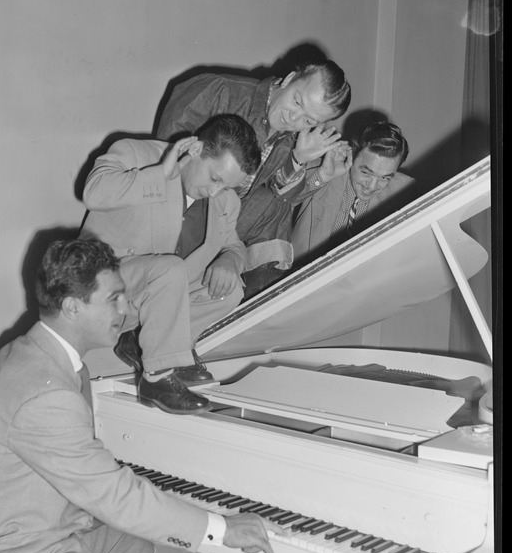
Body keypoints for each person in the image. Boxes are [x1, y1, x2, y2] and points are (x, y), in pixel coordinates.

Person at [0, 238, 280, 553]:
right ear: (72, 307)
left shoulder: (44, 359)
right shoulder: (43, 390)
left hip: (41, 534)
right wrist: (219, 529)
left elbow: (90, 475)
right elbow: (114, 494)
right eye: (114, 298)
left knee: (132, 549)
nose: (127, 307)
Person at [80, 114, 260, 415]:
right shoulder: (137, 155)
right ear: (196, 150)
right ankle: (157, 379)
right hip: (103, 287)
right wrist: (160, 176)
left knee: (230, 291)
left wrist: (231, 259)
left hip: (151, 300)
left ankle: (148, 345)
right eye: (215, 179)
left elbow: (234, 244)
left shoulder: (225, 201)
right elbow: (93, 193)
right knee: (170, 269)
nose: (215, 192)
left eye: (227, 187)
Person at [156, 57, 352, 296]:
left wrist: (299, 159)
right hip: (172, 224)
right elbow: (163, 161)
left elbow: (271, 201)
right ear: (289, 79)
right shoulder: (219, 90)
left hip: (219, 234)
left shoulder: (295, 140)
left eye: (309, 120)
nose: (294, 118)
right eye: (297, 101)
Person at [290, 121, 413, 267]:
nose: (372, 186)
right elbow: (283, 202)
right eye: (366, 172)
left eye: (385, 177)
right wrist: (322, 176)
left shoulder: (405, 190)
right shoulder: (321, 170)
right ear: (352, 154)